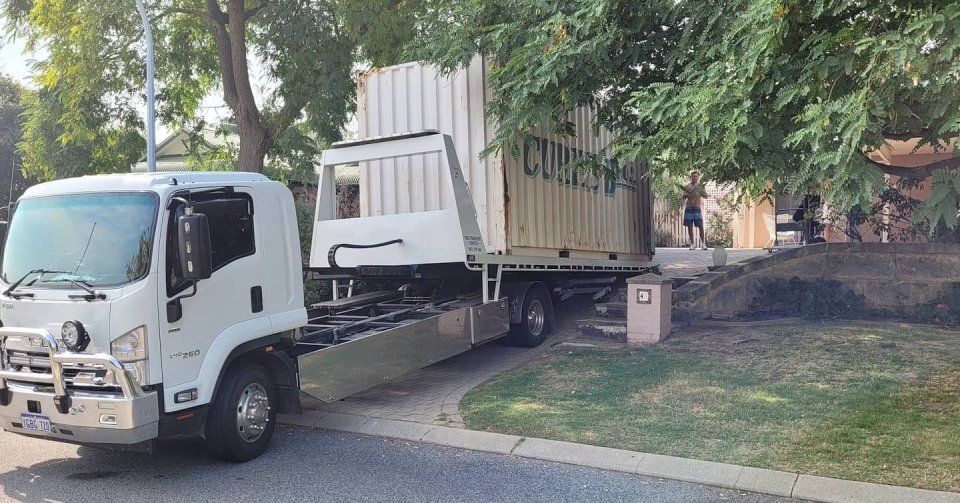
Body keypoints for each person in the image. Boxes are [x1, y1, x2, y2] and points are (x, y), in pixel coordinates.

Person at [681, 171, 709, 250]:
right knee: (690, 227)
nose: (695, 178)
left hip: (697, 208)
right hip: (689, 208)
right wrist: (690, 192)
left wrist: (700, 191)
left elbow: (706, 196)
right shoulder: (687, 186)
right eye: (693, 176)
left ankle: (703, 244)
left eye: (696, 176)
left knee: (701, 226)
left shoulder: (701, 186)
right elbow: (683, 197)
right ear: (691, 177)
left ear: (698, 177)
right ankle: (692, 244)